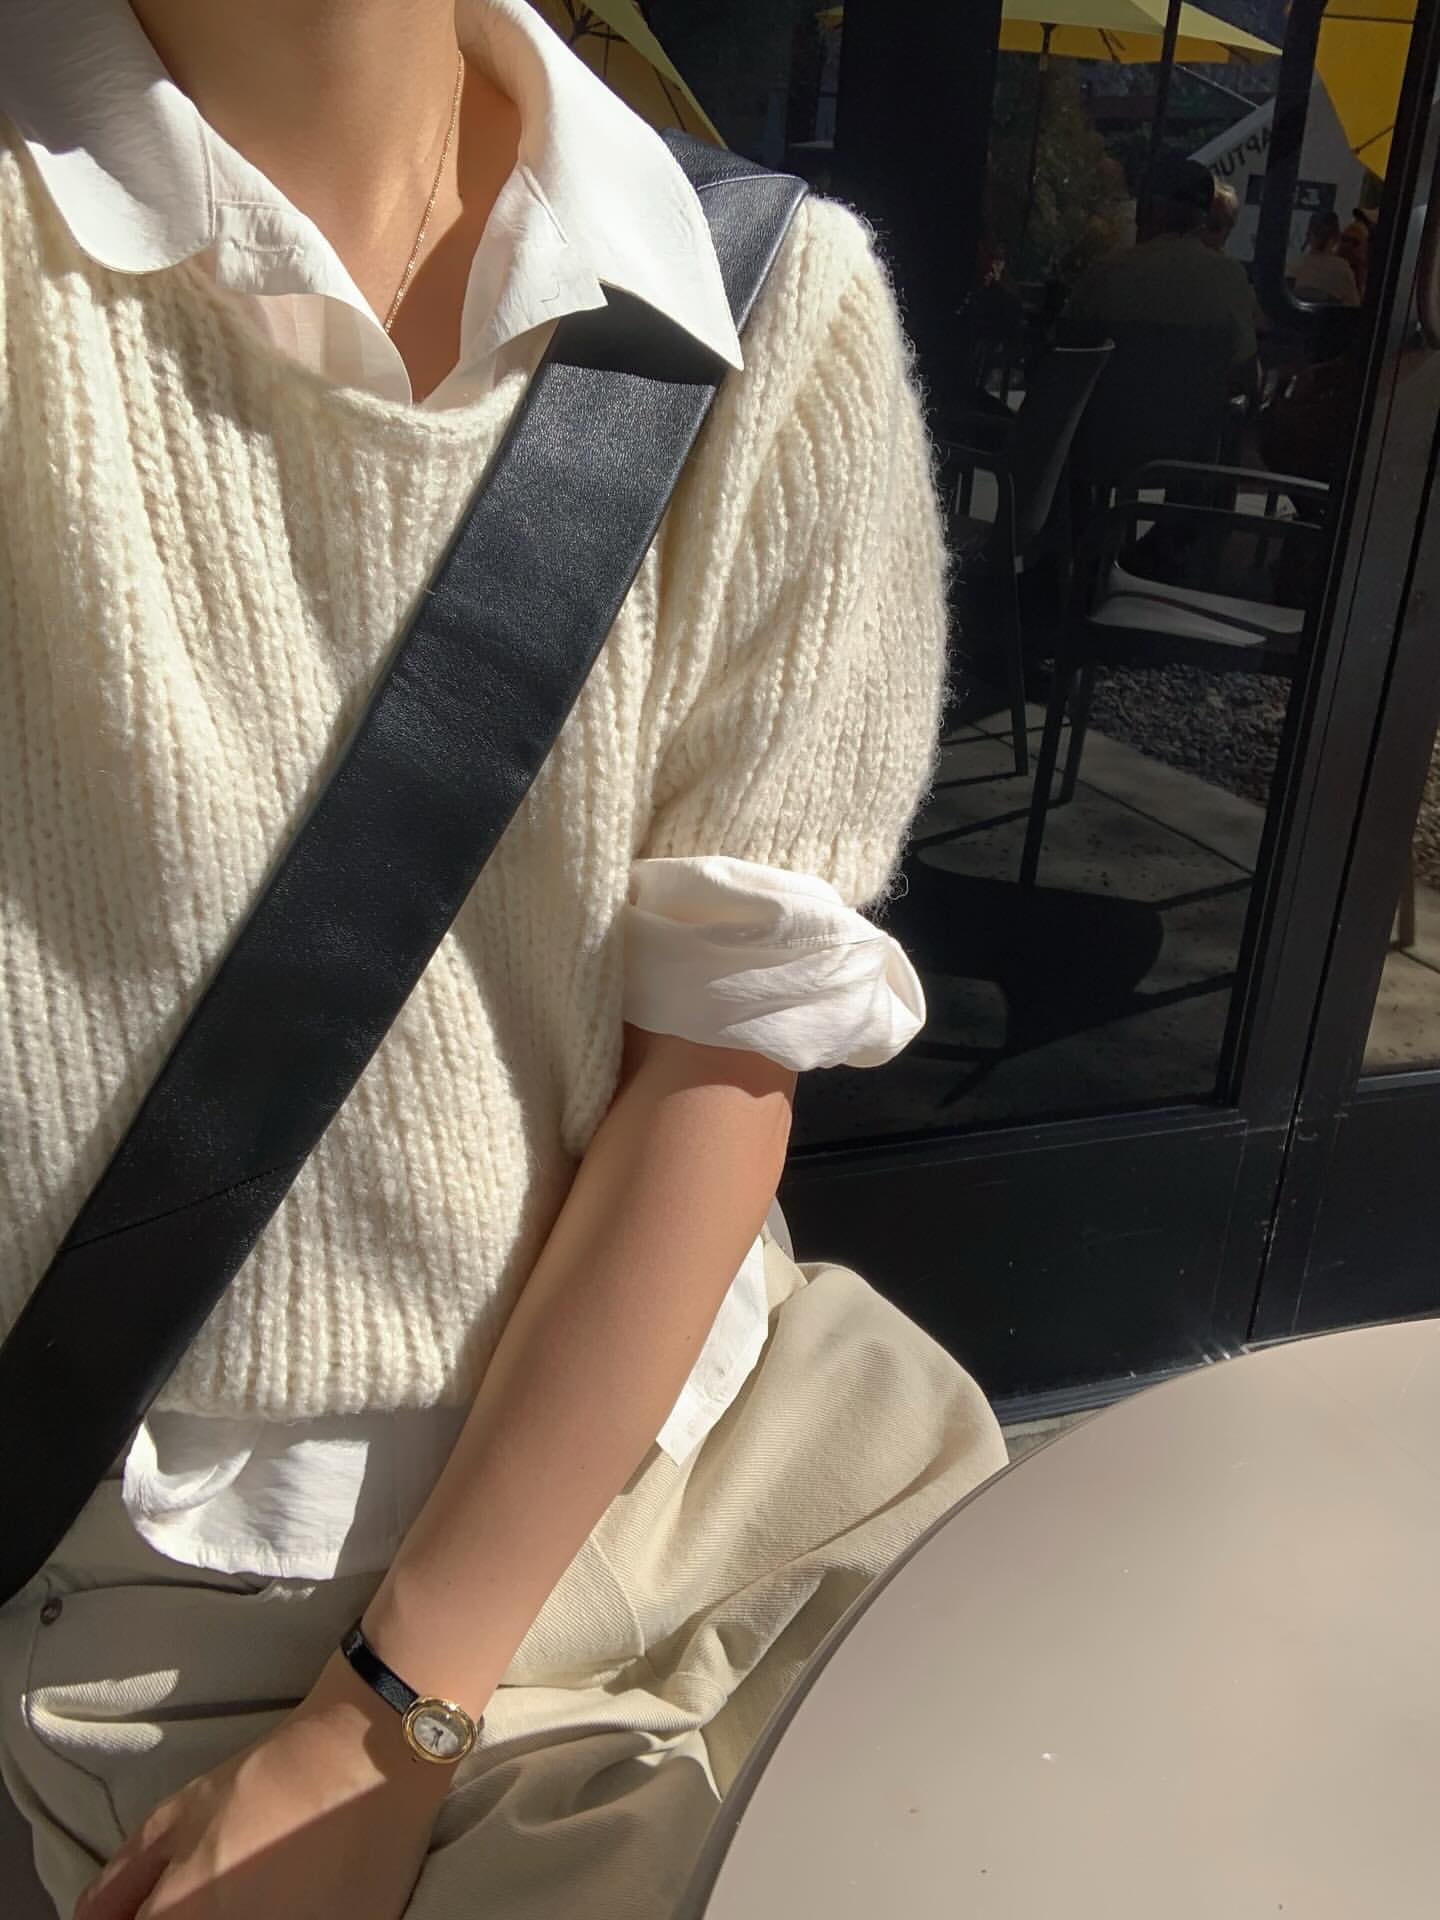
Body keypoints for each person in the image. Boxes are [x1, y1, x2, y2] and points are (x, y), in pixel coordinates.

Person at [0, 3, 1006, 1919]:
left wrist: (392, 1717)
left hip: (738, 1465)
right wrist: (366, 1729)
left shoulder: (770, 303)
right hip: (198, 1584)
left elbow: (718, 1070)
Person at [1063, 154, 1259, 381]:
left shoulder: (1105, 274)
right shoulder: (1229, 278)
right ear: (1202, 220)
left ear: (1144, 210)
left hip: (1110, 403)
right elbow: (1245, 373)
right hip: (1193, 405)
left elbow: (1065, 357)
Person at [1288, 209, 1361, 307]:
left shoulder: (1294, 265)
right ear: (1336, 237)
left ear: (1308, 235)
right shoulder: (1342, 269)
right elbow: (1353, 307)